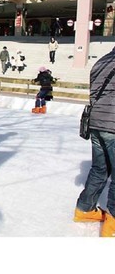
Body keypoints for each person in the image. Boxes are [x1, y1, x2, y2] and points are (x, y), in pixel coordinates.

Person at [74, 47, 115, 237]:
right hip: (113, 124)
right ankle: (112, 225)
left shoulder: (101, 61)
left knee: (100, 169)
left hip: (96, 122)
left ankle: (85, 209)